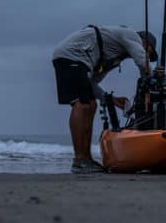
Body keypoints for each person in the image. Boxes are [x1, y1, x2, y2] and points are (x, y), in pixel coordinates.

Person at [52, 26, 156, 173]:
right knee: (83, 104)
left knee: (91, 104)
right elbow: (142, 62)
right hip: (73, 55)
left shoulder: (112, 56)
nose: (147, 56)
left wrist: (111, 100)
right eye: (148, 51)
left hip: (72, 59)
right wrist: (151, 85)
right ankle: (79, 160)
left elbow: (92, 83)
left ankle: (85, 159)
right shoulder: (132, 35)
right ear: (144, 42)